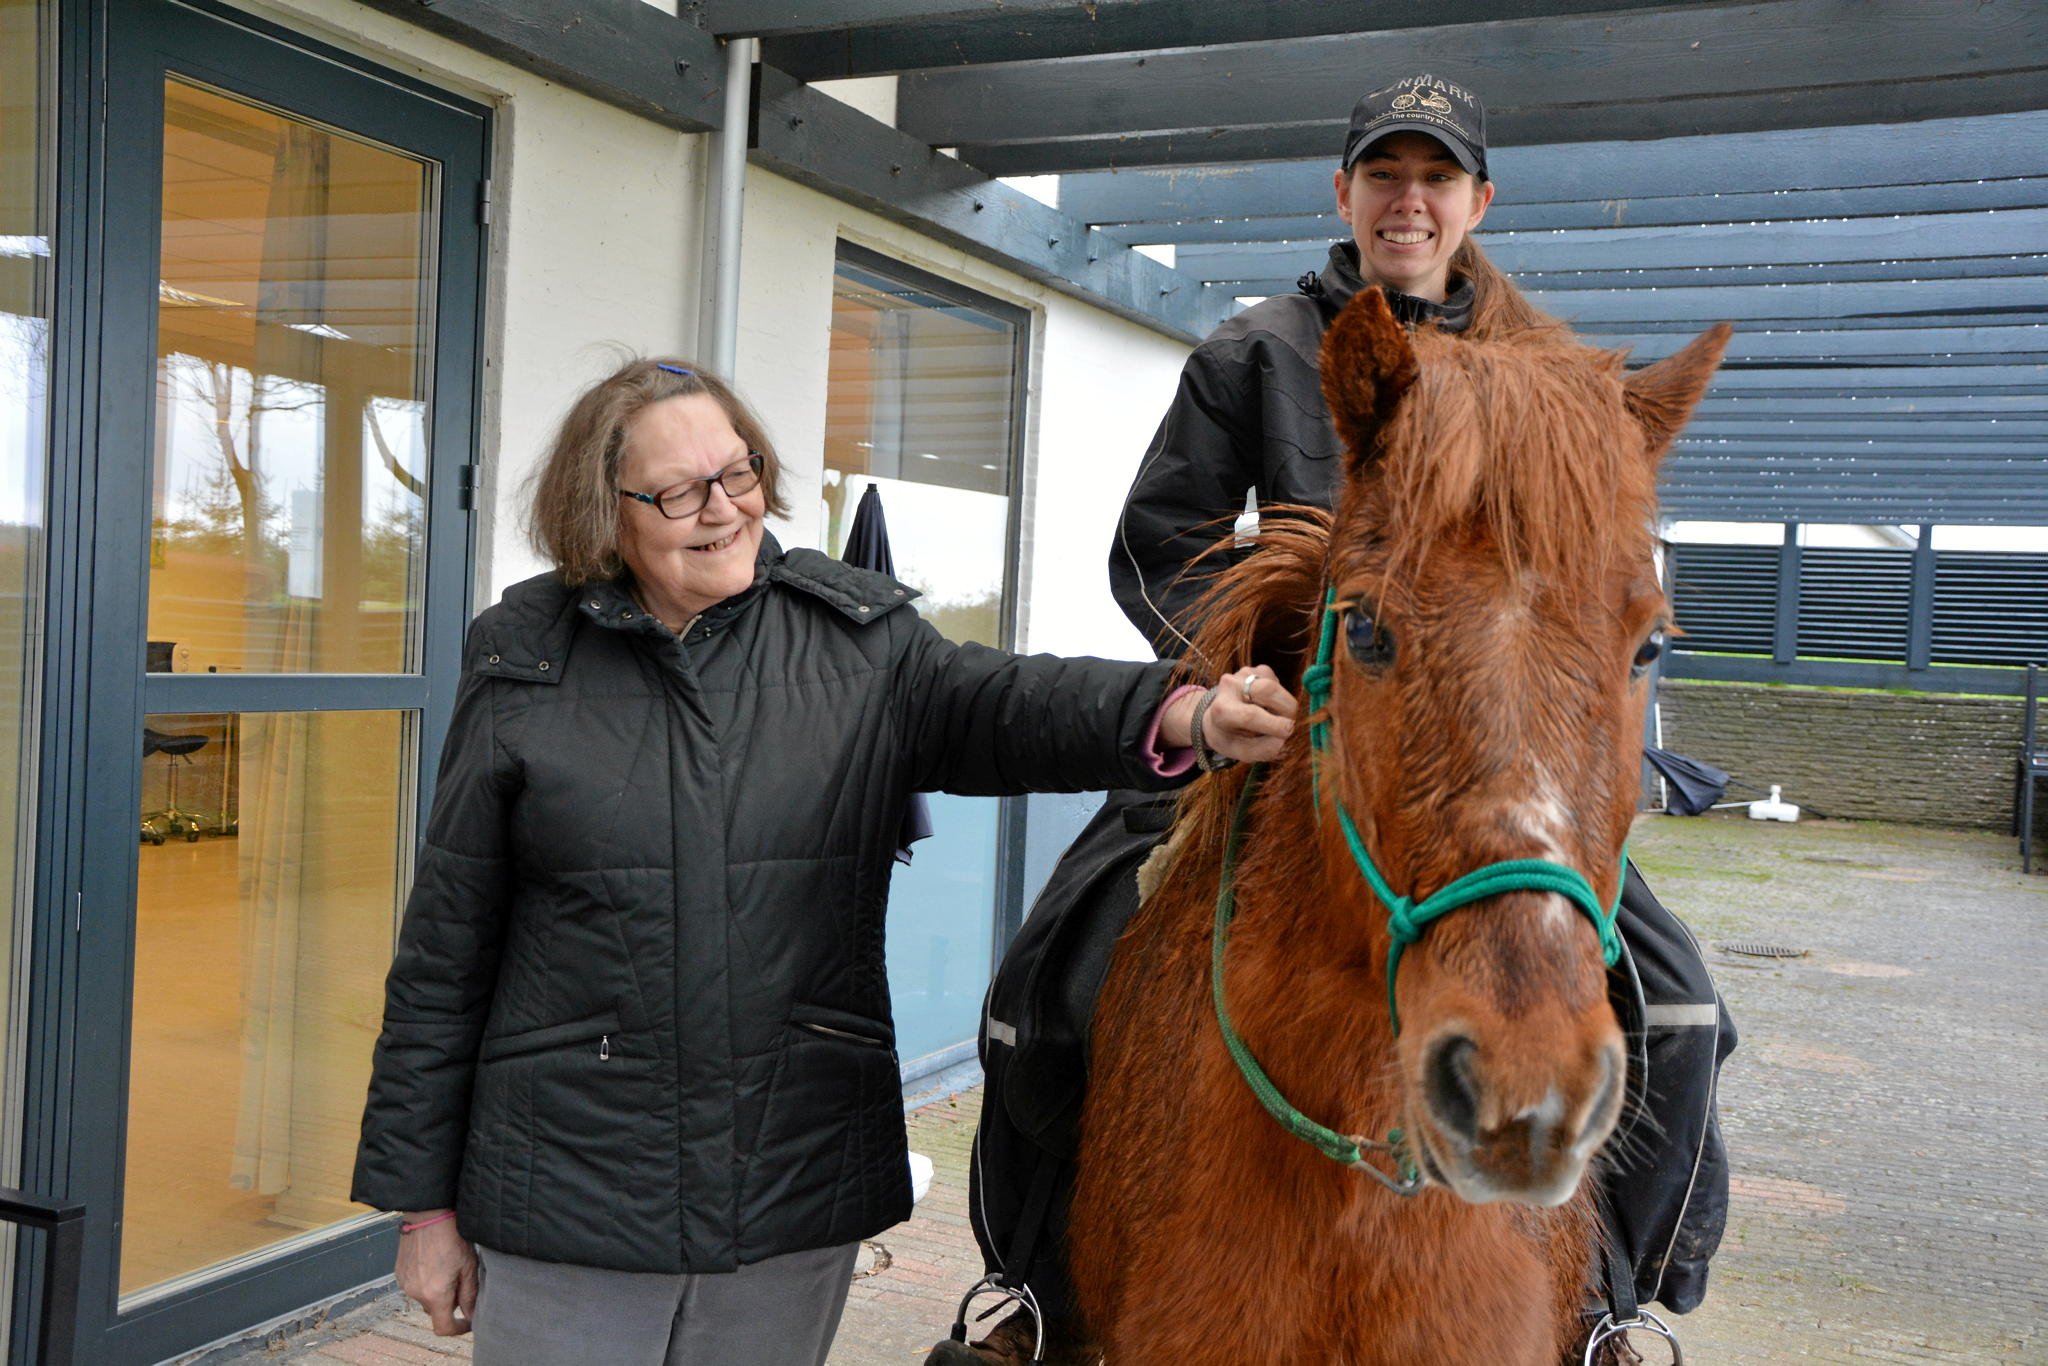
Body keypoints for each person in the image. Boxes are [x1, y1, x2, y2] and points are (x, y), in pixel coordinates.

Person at [933, 73, 1736, 1365]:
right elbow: (1159, 540)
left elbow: (1572, 593)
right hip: (1266, 731)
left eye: (1434, 180)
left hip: (1481, 750)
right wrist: (1232, 676)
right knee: (1048, 976)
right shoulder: (1256, 348)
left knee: (1684, 1006)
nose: (1407, 201)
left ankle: (1620, 1303)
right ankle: (1025, 1286)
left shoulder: (1556, 376)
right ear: (1345, 194)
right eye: (1384, 176)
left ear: (1477, 200)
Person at [350, 357, 1297, 1366]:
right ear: (604, 512)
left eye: (739, 472)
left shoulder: (855, 640)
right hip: (567, 1195)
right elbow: (444, 955)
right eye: (677, 491)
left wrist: (1186, 709)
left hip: (784, 1190)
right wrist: (423, 1209)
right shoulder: (522, 659)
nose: (722, 509)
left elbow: (1009, 703)